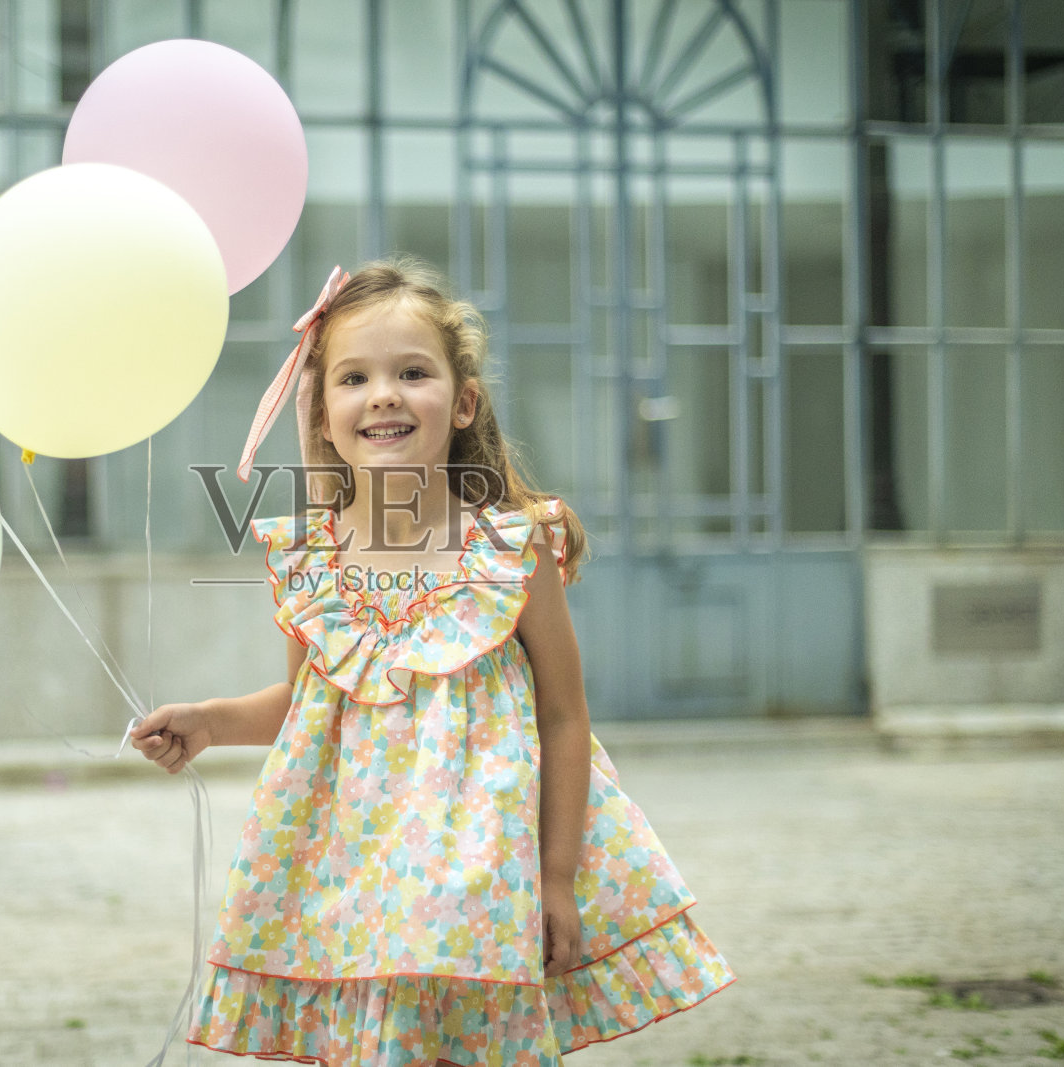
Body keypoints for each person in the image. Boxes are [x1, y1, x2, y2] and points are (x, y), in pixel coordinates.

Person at [131, 259, 733, 1065]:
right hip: (358, 879)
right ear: (323, 413)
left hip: (482, 874)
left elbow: (562, 713)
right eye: (354, 377)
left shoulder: (511, 550)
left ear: (463, 402)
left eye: (412, 372)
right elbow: (309, 702)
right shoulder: (312, 560)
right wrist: (208, 721)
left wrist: (554, 877)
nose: (383, 393)